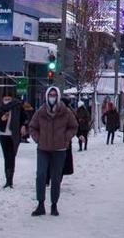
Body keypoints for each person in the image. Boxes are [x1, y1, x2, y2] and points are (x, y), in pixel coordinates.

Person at [28, 86, 78, 217]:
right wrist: (38, 139)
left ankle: (54, 204)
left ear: (58, 96)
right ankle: (40, 204)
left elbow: (74, 126)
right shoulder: (41, 111)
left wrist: (65, 138)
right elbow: (32, 127)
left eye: (54, 95)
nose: (52, 97)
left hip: (59, 150)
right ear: (46, 96)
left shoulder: (65, 112)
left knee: (56, 178)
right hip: (43, 149)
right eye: (50, 94)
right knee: (41, 175)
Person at [0, 93, 28, 188]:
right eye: (5, 98)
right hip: (3, 135)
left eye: (8, 98)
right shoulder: (0, 107)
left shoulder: (17, 106)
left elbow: (24, 117)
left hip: (13, 135)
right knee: (6, 157)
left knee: (11, 156)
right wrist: (1, 119)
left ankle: (10, 180)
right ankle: (7, 179)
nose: (6, 100)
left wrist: (23, 126)